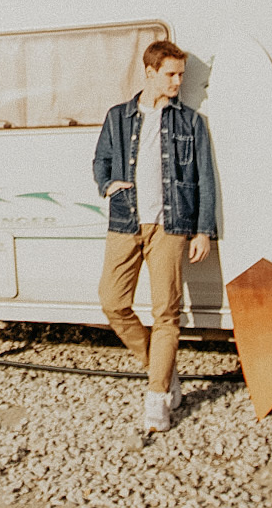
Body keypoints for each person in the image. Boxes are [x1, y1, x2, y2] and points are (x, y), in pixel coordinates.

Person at [93, 39, 218, 433]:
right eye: (171, 74)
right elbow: (101, 158)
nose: (179, 81)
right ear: (149, 72)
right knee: (112, 302)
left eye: (181, 74)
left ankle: (156, 397)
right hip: (125, 221)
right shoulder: (118, 117)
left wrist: (203, 229)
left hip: (171, 224)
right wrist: (107, 183)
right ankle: (161, 369)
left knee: (166, 313)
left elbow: (204, 179)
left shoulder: (191, 122)